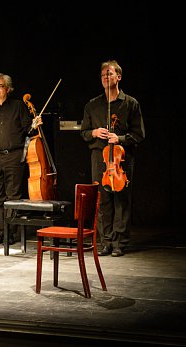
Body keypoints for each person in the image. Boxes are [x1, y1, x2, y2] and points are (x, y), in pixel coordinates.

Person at [80, 60, 145, 257]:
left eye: (109, 74)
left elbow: (139, 134)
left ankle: (120, 242)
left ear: (119, 77)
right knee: (103, 200)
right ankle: (106, 241)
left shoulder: (130, 103)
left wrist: (121, 138)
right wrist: (93, 133)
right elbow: (83, 132)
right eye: (103, 75)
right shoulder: (92, 105)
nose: (105, 78)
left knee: (121, 201)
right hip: (99, 158)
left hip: (121, 160)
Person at [0, 73, 39, 245]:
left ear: (8, 89)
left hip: (14, 156)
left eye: (0, 86)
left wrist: (35, 125)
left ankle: (11, 232)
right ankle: (0, 231)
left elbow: (28, 130)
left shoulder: (18, 106)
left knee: (13, 196)